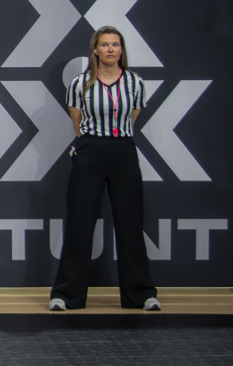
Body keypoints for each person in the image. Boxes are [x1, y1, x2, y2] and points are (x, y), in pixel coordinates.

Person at [53, 25, 159, 312]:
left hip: (123, 150)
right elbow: (77, 122)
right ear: (95, 50)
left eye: (115, 44)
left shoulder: (135, 83)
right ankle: (66, 295)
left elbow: (131, 118)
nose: (111, 49)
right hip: (90, 151)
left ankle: (141, 295)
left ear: (121, 50)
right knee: (80, 223)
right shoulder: (80, 83)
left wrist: (114, 140)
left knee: (130, 224)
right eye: (105, 44)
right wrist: (94, 142)